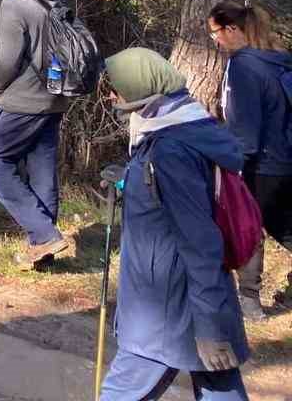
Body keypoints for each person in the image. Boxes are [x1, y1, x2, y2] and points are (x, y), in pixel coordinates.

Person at [99, 48, 250, 401]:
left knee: (121, 393)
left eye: (115, 88)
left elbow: (200, 241)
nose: (110, 96)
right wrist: (127, 181)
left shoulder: (170, 150)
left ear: (140, 87)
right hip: (180, 298)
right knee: (220, 387)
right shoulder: (183, 126)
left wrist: (210, 327)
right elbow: (167, 198)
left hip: (166, 306)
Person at [0, 0, 73, 268]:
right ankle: (43, 252)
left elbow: (7, 60)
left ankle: (44, 235)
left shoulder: (14, 4)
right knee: (42, 170)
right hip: (55, 98)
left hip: (23, 100)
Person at [210, 1, 292, 319]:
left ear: (232, 29)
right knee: (284, 227)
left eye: (215, 32)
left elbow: (244, 127)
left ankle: (249, 302)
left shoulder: (242, 66)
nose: (215, 40)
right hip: (285, 159)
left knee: (247, 227)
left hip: (260, 163)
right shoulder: (277, 61)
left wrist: (232, 164)